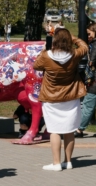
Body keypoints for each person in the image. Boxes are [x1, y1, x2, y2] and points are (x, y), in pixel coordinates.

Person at [33, 28, 88, 171]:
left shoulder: (46, 56)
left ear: (55, 41)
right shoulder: (74, 55)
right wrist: (73, 38)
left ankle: (56, 163)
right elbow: (85, 47)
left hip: (51, 98)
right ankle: (68, 161)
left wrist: (44, 50)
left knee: (54, 130)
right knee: (69, 130)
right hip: (71, 97)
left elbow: (36, 65)